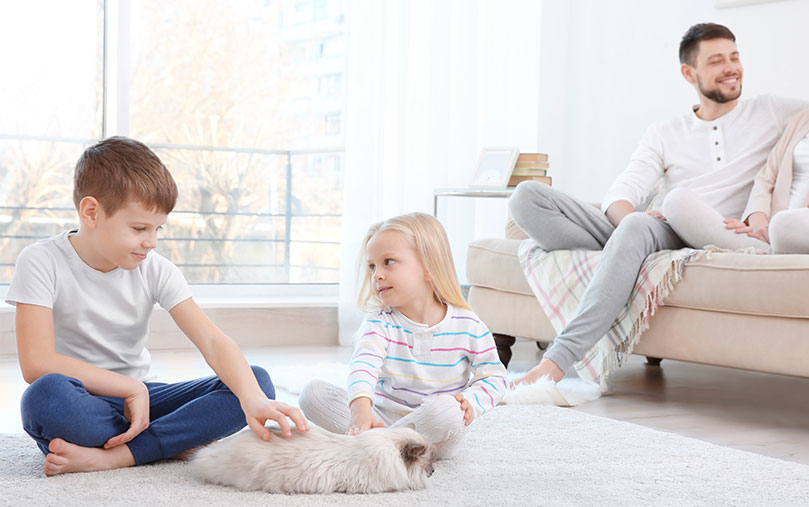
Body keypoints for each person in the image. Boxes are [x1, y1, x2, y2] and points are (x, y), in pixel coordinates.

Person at [508, 23, 809, 386]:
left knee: (639, 226)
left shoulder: (771, 111)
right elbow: (622, 192)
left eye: (734, 57)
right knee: (526, 197)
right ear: (689, 72)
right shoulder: (666, 131)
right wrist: (634, 219)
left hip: (708, 233)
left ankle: (557, 362)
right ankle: (626, 252)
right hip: (662, 227)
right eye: (716, 60)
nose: (731, 67)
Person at [7, 137, 307, 476]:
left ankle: (117, 455)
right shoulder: (41, 260)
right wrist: (129, 388)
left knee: (255, 382)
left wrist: (253, 399)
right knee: (44, 397)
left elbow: (212, 340)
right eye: (138, 228)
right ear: (91, 212)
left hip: (148, 400)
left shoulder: (155, 267)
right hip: (84, 400)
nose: (151, 242)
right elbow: (37, 363)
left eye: (157, 228)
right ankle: (170, 441)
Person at [663, 21, 809, 255]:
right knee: (676, 201)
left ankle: (766, 253)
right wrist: (757, 224)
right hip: (771, 232)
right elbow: (766, 178)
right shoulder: (807, 118)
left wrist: (775, 227)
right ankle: (768, 255)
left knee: (789, 224)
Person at [300, 212, 506, 459]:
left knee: (448, 410)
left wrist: (472, 402)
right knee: (312, 394)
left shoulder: (468, 324)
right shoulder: (379, 322)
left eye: (388, 262)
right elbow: (363, 365)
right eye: (372, 266)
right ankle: (391, 447)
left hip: (434, 430)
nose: (376, 275)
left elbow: (494, 377)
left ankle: (376, 447)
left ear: (429, 267)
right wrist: (360, 410)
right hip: (382, 420)